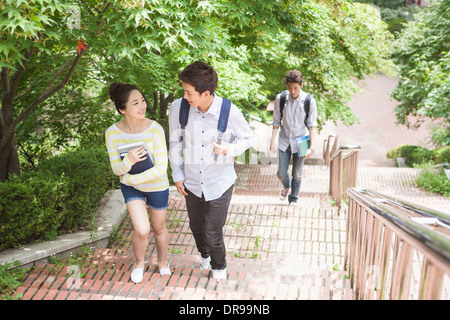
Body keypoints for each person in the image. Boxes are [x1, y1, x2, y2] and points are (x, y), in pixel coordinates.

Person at [168, 61, 254, 280]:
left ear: (206, 93)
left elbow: (248, 138)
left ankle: (219, 267)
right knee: (196, 227)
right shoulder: (179, 108)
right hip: (192, 182)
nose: (185, 96)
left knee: (212, 232)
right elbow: (175, 143)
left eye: (189, 92)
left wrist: (229, 149)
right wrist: (177, 175)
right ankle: (204, 254)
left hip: (219, 181)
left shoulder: (228, 111)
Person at [105, 83, 171, 284]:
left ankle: (162, 261)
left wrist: (130, 178)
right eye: (135, 103)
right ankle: (139, 263)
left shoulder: (155, 129)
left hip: (157, 186)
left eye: (142, 100)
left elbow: (160, 168)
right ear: (122, 109)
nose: (142, 106)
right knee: (142, 229)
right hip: (131, 188)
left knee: (159, 228)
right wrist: (129, 161)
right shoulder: (112, 133)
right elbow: (116, 169)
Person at [270, 70, 318, 205]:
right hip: (284, 139)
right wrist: (272, 140)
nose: (292, 91)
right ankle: (286, 185)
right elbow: (276, 121)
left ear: (301, 85)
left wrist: (312, 147)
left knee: (297, 174)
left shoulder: (309, 101)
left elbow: (312, 125)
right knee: (280, 173)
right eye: (289, 88)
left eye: (295, 88)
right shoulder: (281, 98)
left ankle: (293, 199)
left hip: (302, 140)